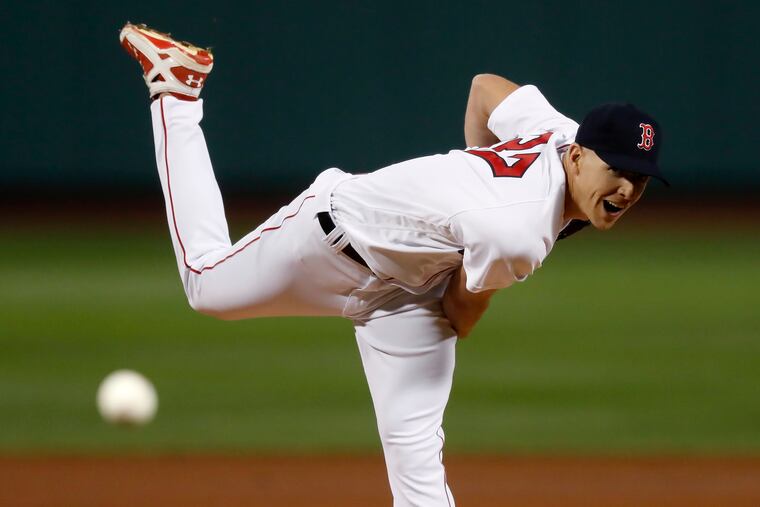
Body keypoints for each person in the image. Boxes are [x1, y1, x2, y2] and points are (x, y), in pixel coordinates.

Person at [120, 23, 667, 507]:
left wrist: (470, 175)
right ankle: (178, 92)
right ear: (576, 155)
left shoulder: (560, 133)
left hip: (409, 288)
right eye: (615, 168)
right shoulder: (517, 231)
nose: (625, 187)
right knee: (205, 285)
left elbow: (484, 89)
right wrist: (472, 211)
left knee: (417, 464)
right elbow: (462, 310)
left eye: (639, 178)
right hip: (335, 241)